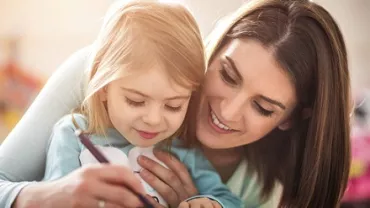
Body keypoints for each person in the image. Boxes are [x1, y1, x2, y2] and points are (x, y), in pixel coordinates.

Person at [0, 0, 351, 207]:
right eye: (228, 75)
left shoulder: (270, 185)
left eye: (263, 107)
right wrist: (50, 195)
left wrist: (202, 199)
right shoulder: (104, 77)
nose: (227, 112)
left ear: (292, 118)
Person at [38, 1, 241, 208]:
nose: (153, 120)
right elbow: (53, 198)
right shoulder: (73, 135)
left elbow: (232, 202)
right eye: (136, 101)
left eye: (173, 106)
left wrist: (208, 203)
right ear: (104, 87)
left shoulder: (182, 150)